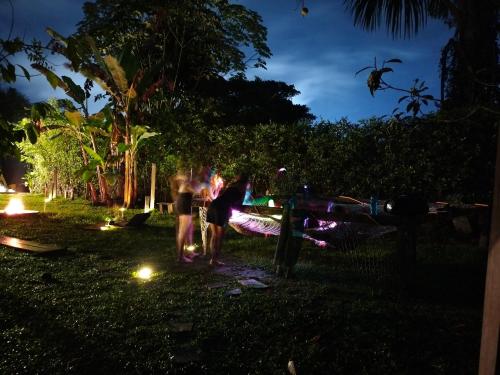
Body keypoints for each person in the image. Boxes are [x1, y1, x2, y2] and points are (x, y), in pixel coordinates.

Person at [206, 174, 250, 266]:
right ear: (246, 182)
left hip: (213, 205)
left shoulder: (231, 186)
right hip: (222, 209)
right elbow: (240, 204)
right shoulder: (242, 188)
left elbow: (226, 197)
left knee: (214, 235)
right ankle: (214, 260)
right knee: (220, 237)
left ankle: (213, 259)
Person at [172, 170, 201, 263]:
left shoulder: (186, 183)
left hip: (184, 205)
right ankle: (180, 257)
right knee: (183, 232)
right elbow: (197, 192)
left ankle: (190, 252)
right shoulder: (187, 184)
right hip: (184, 206)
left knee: (189, 230)